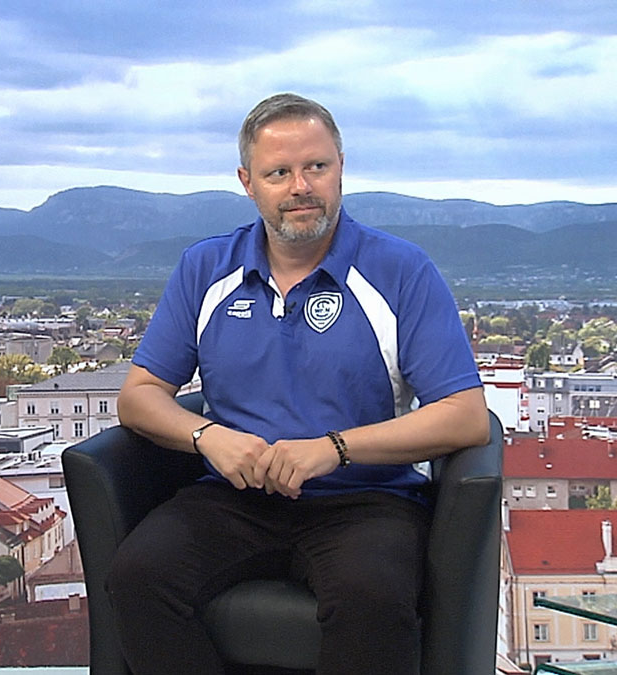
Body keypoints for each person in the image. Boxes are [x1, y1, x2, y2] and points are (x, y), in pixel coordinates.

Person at [107, 93, 489, 673]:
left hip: (367, 499)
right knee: (137, 579)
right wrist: (209, 437)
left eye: (316, 166)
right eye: (279, 172)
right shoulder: (206, 269)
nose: (301, 187)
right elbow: (138, 397)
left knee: (372, 600)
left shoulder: (401, 270)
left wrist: (334, 449)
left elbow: (465, 413)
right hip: (232, 497)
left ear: (341, 168)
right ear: (248, 182)